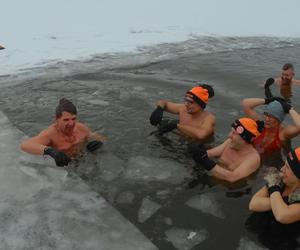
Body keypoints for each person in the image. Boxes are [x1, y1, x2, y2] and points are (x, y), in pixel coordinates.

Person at [20, 98, 105, 167]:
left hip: (83, 159)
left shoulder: (80, 127)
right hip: (66, 166)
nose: (71, 123)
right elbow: (25, 145)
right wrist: (50, 151)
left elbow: (97, 137)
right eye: (66, 120)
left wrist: (98, 142)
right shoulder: (50, 134)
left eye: (73, 118)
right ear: (57, 120)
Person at [188, 117, 262, 183]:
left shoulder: (253, 159)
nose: (229, 135)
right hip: (210, 175)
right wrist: (197, 151)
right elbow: (210, 153)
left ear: (245, 139)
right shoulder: (230, 142)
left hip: (224, 187)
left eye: (234, 133)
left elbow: (232, 178)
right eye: (231, 131)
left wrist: (204, 160)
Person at [249, 147, 300, 224]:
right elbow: (253, 204)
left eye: (287, 168)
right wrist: (285, 201)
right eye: (284, 164)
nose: (282, 169)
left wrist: (273, 188)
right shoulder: (280, 179)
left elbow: (282, 216)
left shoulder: (275, 184)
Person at [242, 97, 300, 163]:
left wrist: (290, 109)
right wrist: (268, 100)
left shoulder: (282, 134)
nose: (267, 119)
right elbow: (246, 104)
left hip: (272, 163)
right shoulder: (260, 125)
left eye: (271, 116)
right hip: (253, 158)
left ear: (279, 119)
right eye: (266, 114)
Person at [149, 84, 215, 141]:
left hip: (200, 148)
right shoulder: (183, 108)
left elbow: (201, 135)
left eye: (191, 102)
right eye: (186, 100)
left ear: (201, 105)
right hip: (182, 140)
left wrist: (176, 126)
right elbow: (163, 102)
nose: (186, 104)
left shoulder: (209, 118)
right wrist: (159, 108)